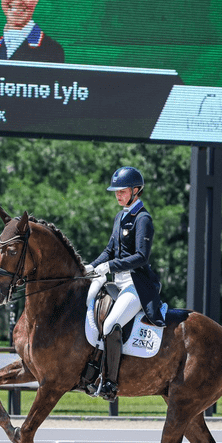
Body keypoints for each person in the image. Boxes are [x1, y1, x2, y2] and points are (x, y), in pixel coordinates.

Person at [84, 166, 166, 401]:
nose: (118, 195)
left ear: (136, 190)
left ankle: (110, 383)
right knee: (91, 311)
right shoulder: (120, 217)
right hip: (116, 284)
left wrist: (109, 267)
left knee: (111, 324)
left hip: (136, 285)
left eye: (122, 191)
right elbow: (109, 250)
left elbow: (141, 257)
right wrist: (91, 266)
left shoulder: (143, 219)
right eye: (116, 192)